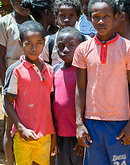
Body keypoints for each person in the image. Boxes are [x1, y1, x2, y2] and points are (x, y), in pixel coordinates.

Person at [73, 0, 130, 165]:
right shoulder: (83, 49)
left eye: (106, 16)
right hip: (92, 121)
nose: (101, 21)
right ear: (89, 18)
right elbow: (80, 87)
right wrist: (79, 123)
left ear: (116, 17)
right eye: (96, 17)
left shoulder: (129, 48)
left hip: (120, 122)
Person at [3, 21, 57, 165]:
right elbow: (7, 103)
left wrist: (54, 135)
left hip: (45, 135)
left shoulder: (50, 70)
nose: (34, 48)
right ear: (20, 43)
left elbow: (51, 105)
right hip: (23, 136)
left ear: (44, 42)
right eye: (28, 43)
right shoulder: (15, 70)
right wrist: (21, 128)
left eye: (39, 43)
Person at [0, 0, 32, 165]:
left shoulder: (35, 20)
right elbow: (1, 58)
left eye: (26, 1)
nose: (23, 5)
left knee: (29, 120)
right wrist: (5, 84)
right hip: (12, 78)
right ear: (12, 2)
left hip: (32, 79)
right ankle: (10, 162)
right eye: (18, 2)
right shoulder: (4, 23)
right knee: (10, 125)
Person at [52, 27, 85, 165]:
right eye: (61, 46)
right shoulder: (54, 70)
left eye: (71, 45)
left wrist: (83, 133)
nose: (65, 50)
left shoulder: (83, 71)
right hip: (60, 134)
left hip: (79, 134)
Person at [40, 0, 82, 66]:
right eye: (62, 16)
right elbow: (44, 68)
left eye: (71, 15)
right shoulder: (48, 42)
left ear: (78, 17)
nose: (66, 20)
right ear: (56, 17)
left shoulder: (85, 41)